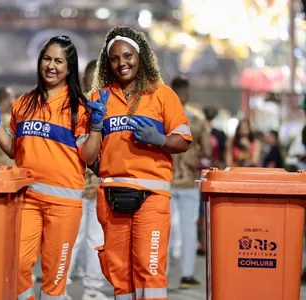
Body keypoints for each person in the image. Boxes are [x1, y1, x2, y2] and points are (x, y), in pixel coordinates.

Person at [0, 35, 108, 300]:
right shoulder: (22, 104)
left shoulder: (79, 109)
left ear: (69, 68)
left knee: (54, 277)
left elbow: (90, 156)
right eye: (47, 59)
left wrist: (96, 127)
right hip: (27, 201)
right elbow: (14, 150)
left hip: (64, 205)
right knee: (16, 265)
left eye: (59, 61)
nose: (51, 66)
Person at [90, 27, 192, 300]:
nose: (122, 63)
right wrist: (95, 128)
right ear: (107, 63)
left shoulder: (162, 94)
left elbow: (183, 140)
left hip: (152, 196)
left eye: (128, 55)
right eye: (114, 58)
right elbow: (87, 155)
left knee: (149, 268)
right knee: (119, 273)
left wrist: (159, 139)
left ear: (141, 56)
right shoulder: (98, 98)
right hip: (111, 195)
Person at [66, 60, 111, 300]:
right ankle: (81, 291)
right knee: (84, 239)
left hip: (90, 183)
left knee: (84, 239)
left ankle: (80, 290)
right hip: (84, 183)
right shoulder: (84, 107)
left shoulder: (82, 106)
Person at [169, 77, 211, 289]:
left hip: (165, 179)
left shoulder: (162, 112)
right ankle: (186, 275)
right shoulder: (197, 117)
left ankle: (159, 275)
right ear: (187, 91)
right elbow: (208, 150)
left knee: (162, 229)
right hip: (188, 180)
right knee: (187, 229)